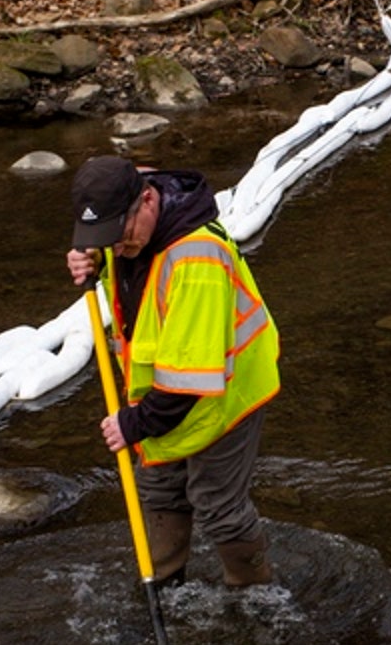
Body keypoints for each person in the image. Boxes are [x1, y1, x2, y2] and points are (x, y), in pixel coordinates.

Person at [66, 155, 281, 587]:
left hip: (223, 393)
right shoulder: (131, 216)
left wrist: (133, 424)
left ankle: (253, 594)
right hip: (164, 392)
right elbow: (134, 273)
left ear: (147, 201)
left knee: (218, 507)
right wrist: (97, 263)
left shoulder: (197, 260)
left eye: (118, 236)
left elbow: (188, 382)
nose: (115, 245)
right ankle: (163, 583)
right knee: (160, 490)